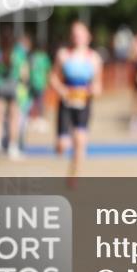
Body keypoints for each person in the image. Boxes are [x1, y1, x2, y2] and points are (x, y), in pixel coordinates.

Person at [50, 21, 103, 185]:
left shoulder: (94, 58)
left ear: (88, 36)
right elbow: (52, 77)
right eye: (75, 34)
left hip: (83, 103)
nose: (78, 37)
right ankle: (61, 144)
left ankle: (74, 176)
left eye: (81, 34)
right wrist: (61, 90)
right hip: (66, 103)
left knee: (80, 141)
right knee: (62, 145)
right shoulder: (63, 55)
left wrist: (94, 90)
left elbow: (98, 85)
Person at [0, 28, 28, 160]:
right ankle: (12, 146)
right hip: (14, 86)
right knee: (13, 118)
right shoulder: (19, 53)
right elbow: (24, 72)